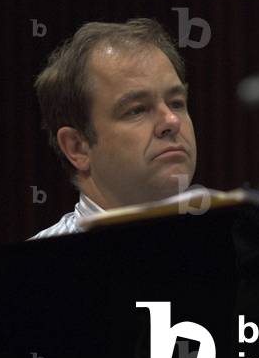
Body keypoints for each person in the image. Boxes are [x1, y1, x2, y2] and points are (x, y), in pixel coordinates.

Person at [30, 18, 199, 239]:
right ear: (77, 147)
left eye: (176, 103)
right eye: (137, 110)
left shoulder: (243, 239)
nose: (171, 121)